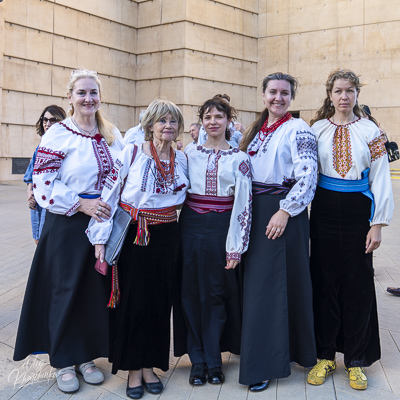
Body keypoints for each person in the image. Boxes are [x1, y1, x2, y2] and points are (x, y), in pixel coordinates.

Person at [13, 69, 125, 394]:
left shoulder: (110, 132)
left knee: (92, 291)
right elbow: (44, 183)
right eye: (81, 93)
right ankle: (63, 359)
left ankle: (86, 356)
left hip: (100, 224)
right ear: (70, 97)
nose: (88, 98)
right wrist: (82, 205)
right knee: (64, 291)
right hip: (66, 224)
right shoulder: (58, 134)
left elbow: (122, 172)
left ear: (100, 96)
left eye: (93, 92)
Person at [86, 98, 189, 400]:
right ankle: (133, 369)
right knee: (134, 302)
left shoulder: (182, 159)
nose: (167, 126)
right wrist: (100, 239)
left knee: (160, 302)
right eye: (162, 121)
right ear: (149, 125)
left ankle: (150, 366)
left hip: (168, 235)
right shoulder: (131, 154)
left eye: (173, 121)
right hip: (136, 234)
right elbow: (110, 196)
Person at [307, 69, 394, 390]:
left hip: (358, 211)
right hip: (324, 211)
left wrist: (378, 224)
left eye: (350, 91)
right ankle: (325, 355)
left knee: (357, 285)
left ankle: (356, 359)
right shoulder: (315, 129)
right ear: (329, 95)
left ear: (357, 94)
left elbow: (381, 177)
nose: (344, 97)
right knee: (324, 281)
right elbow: (305, 174)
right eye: (338, 91)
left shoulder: (371, 132)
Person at [239, 72, 318, 392]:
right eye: (272, 92)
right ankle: (283, 351)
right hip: (256, 211)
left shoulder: (298, 129)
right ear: (263, 95)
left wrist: (285, 211)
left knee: (270, 291)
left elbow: (308, 176)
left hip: (283, 212)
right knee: (262, 286)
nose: (278, 98)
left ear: (291, 98)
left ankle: (265, 364)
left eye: (284, 93)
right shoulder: (257, 131)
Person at [176, 97, 252, 386]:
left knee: (217, 293)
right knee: (191, 292)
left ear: (228, 120)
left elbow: (244, 204)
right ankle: (197, 360)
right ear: (201, 121)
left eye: (219, 116)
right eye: (207, 117)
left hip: (223, 226)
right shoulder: (189, 154)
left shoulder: (239, 158)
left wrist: (236, 246)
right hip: (191, 225)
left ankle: (214, 358)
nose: (213, 122)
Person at [23, 105, 66, 244]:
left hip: (53, 202)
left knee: (47, 242)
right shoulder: (41, 145)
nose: (48, 124)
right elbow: (32, 171)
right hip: (37, 202)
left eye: (53, 120)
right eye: (45, 120)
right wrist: (29, 191)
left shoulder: (65, 144)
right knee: (38, 239)